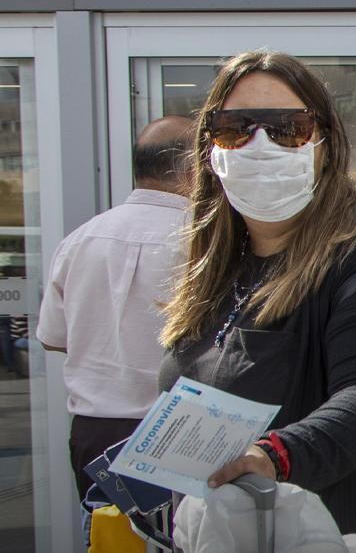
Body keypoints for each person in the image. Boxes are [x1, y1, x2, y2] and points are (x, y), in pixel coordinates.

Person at [156, 50, 356, 552]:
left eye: (288, 128)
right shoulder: (221, 270)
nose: (259, 145)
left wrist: (273, 457)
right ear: (210, 148)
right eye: (236, 127)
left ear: (326, 145)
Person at [36, 116, 193, 500]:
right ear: (195, 169)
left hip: (97, 434)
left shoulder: (79, 241)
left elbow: (53, 340)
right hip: (182, 433)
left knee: (110, 539)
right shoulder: (208, 244)